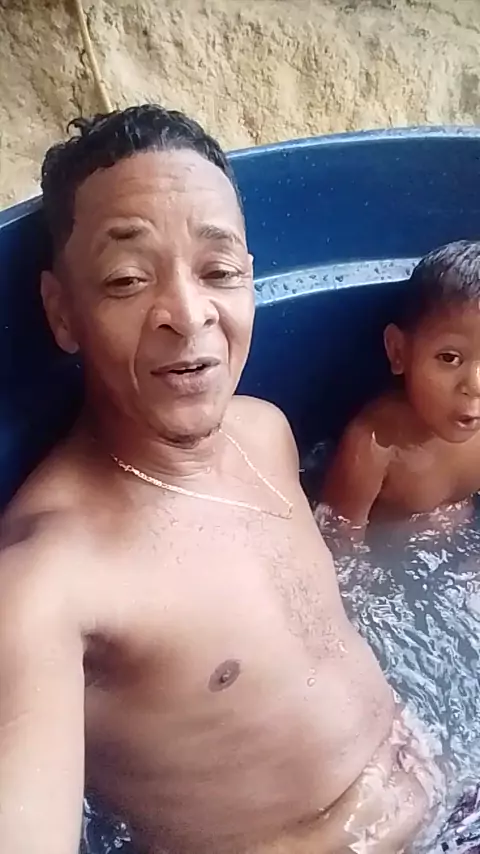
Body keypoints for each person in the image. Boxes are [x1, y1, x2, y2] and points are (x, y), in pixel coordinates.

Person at [0, 105, 438, 854]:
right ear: (62, 312)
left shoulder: (265, 430)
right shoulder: (49, 581)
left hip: (444, 793)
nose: (186, 312)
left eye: (219, 271)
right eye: (128, 279)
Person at [318, 241, 480, 538]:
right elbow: (338, 541)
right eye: (449, 358)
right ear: (399, 351)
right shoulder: (376, 447)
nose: (474, 385)